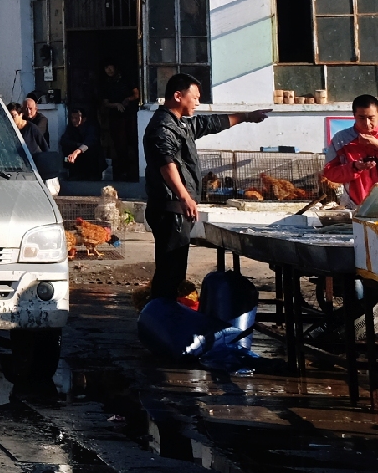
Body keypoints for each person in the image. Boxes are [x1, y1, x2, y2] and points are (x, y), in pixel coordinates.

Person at [142, 73, 269, 302]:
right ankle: (163, 318)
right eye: (196, 97)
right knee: (170, 271)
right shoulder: (163, 127)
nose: (198, 103)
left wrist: (247, 116)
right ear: (178, 96)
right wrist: (184, 197)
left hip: (176, 208)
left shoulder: (181, 124)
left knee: (174, 270)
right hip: (170, 208)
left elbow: (211, 123)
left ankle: (167, 314)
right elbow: (166, 164)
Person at [322, 93, 378, 207]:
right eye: (361, 117)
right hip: (354, 206)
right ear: (354, 115)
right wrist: (354, 167)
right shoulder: (341, 139)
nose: (367, 123)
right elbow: (330, 173)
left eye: (371, 118)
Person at [97, 62, 141, 179]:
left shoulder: (126, 79)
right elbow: (105, 103)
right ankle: (123, 170)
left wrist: (128, 99)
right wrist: (116, 105)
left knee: (133, 140)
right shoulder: (106, 83)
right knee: (119, 144)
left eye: (110, 66)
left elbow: (137, 94)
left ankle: (136, 169)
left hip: (130, 114)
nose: (109, 70)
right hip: (115, 117)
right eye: (106, 67)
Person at [58, 108, 104, 181]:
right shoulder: (71, 128)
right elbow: (63, 140)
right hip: (77, 153)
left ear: (84, 119)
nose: (73, 120)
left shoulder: (91, 127)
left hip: (89, 155)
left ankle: (92, 175)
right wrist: (77, 145)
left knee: (92, 150)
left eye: (76, 118)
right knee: (66, 148)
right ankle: (74, 173)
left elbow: (89, 142)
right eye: (72, 118)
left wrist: (78, 151)